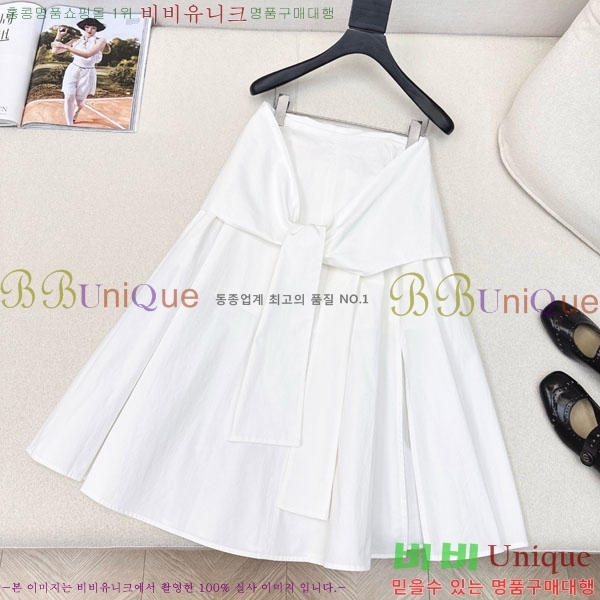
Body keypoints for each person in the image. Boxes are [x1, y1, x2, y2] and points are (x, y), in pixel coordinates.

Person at [51, 18, 109, 126]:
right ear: (84, 28)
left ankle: (77, 111)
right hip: (73, 69)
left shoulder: (101, 41)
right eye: (87, 27)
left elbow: (87, 55)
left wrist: (66, 47)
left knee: (80, 102)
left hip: (88, 73)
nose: (89, 30)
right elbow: (55, 51)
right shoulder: (76, 40)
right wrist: (59, 36)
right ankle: (70, 125)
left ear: (97, 29)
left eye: (93, 28)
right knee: (69, 97)